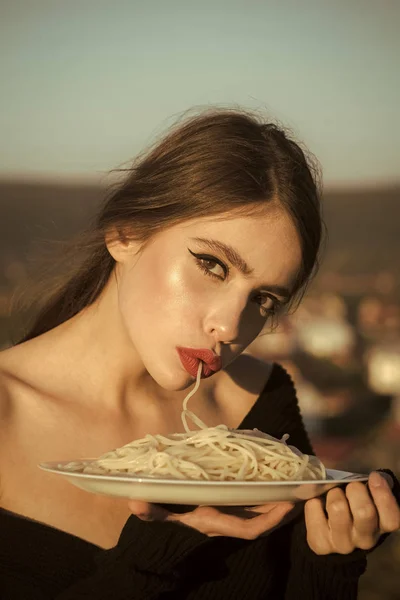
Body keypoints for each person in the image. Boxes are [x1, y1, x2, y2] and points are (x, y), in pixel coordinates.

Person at [0, 108, 398, 600]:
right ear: (126, 232)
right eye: (212, 265)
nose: (229, 326)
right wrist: (156, 553)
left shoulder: (258, 402)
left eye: (263, 299)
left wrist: (331, 558)